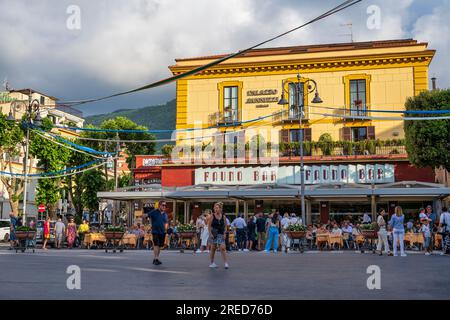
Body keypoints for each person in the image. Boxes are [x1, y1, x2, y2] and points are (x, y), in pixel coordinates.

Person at [146, 200, 169, 265]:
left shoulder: (165, 214)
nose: (164, 206)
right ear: (159, 205)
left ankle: (157, 258)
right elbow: (147, 215)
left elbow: (166, 223)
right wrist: (140, 217)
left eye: (165, 205)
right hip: (155, 231)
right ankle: (155, 258)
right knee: (156, 244)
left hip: (162, 232)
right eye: (163, 205)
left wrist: (166, 229)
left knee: (159, 246)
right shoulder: (154, 212)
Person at [207, 202, 229, 269]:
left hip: (221, 234)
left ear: (220, 209)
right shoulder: (212, 216)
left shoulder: (223, 216)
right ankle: (212, 263)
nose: (216, 209)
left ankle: (226, 263)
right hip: (214, 234)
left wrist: (225, 233)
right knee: (213, 248)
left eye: (217, 208)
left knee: (222, 248)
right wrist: (210, 234)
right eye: (215, 208)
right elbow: (209, 226)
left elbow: (225, 226)